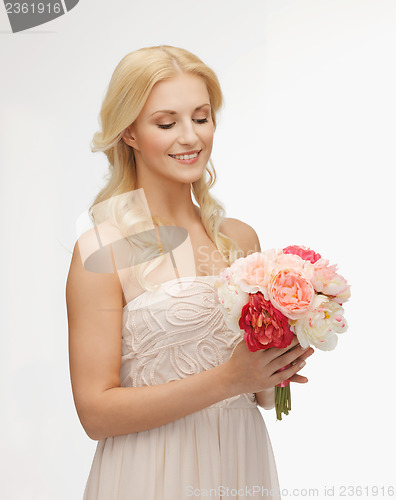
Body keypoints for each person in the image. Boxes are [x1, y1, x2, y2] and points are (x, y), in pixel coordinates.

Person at [66, 45, 314, 500]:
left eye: (201, 118)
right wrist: (230, 379)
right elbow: (95, 413)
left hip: (239, 461)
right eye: (166, 123)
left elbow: (258, 393)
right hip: (151, 472)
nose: (190, 137)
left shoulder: (240, 241)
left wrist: (278, 362)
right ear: (130, 134)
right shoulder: (103, 250)